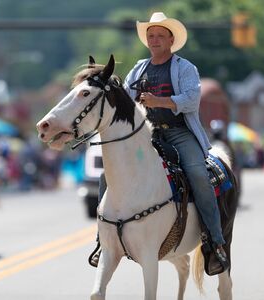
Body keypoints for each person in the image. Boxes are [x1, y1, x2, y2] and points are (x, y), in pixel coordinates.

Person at [91, 12, 228, 272]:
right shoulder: (138, 68)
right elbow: (126, 100)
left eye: (160, 36)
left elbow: (191, 100)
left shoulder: (184, 68)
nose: (154, 40)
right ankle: (103, 241)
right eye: (151, 36)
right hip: (147, 137)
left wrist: (160, 101)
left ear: (171, 39)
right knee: (105, 177)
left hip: (178, 132)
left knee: (199, 175)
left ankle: (214, 242)